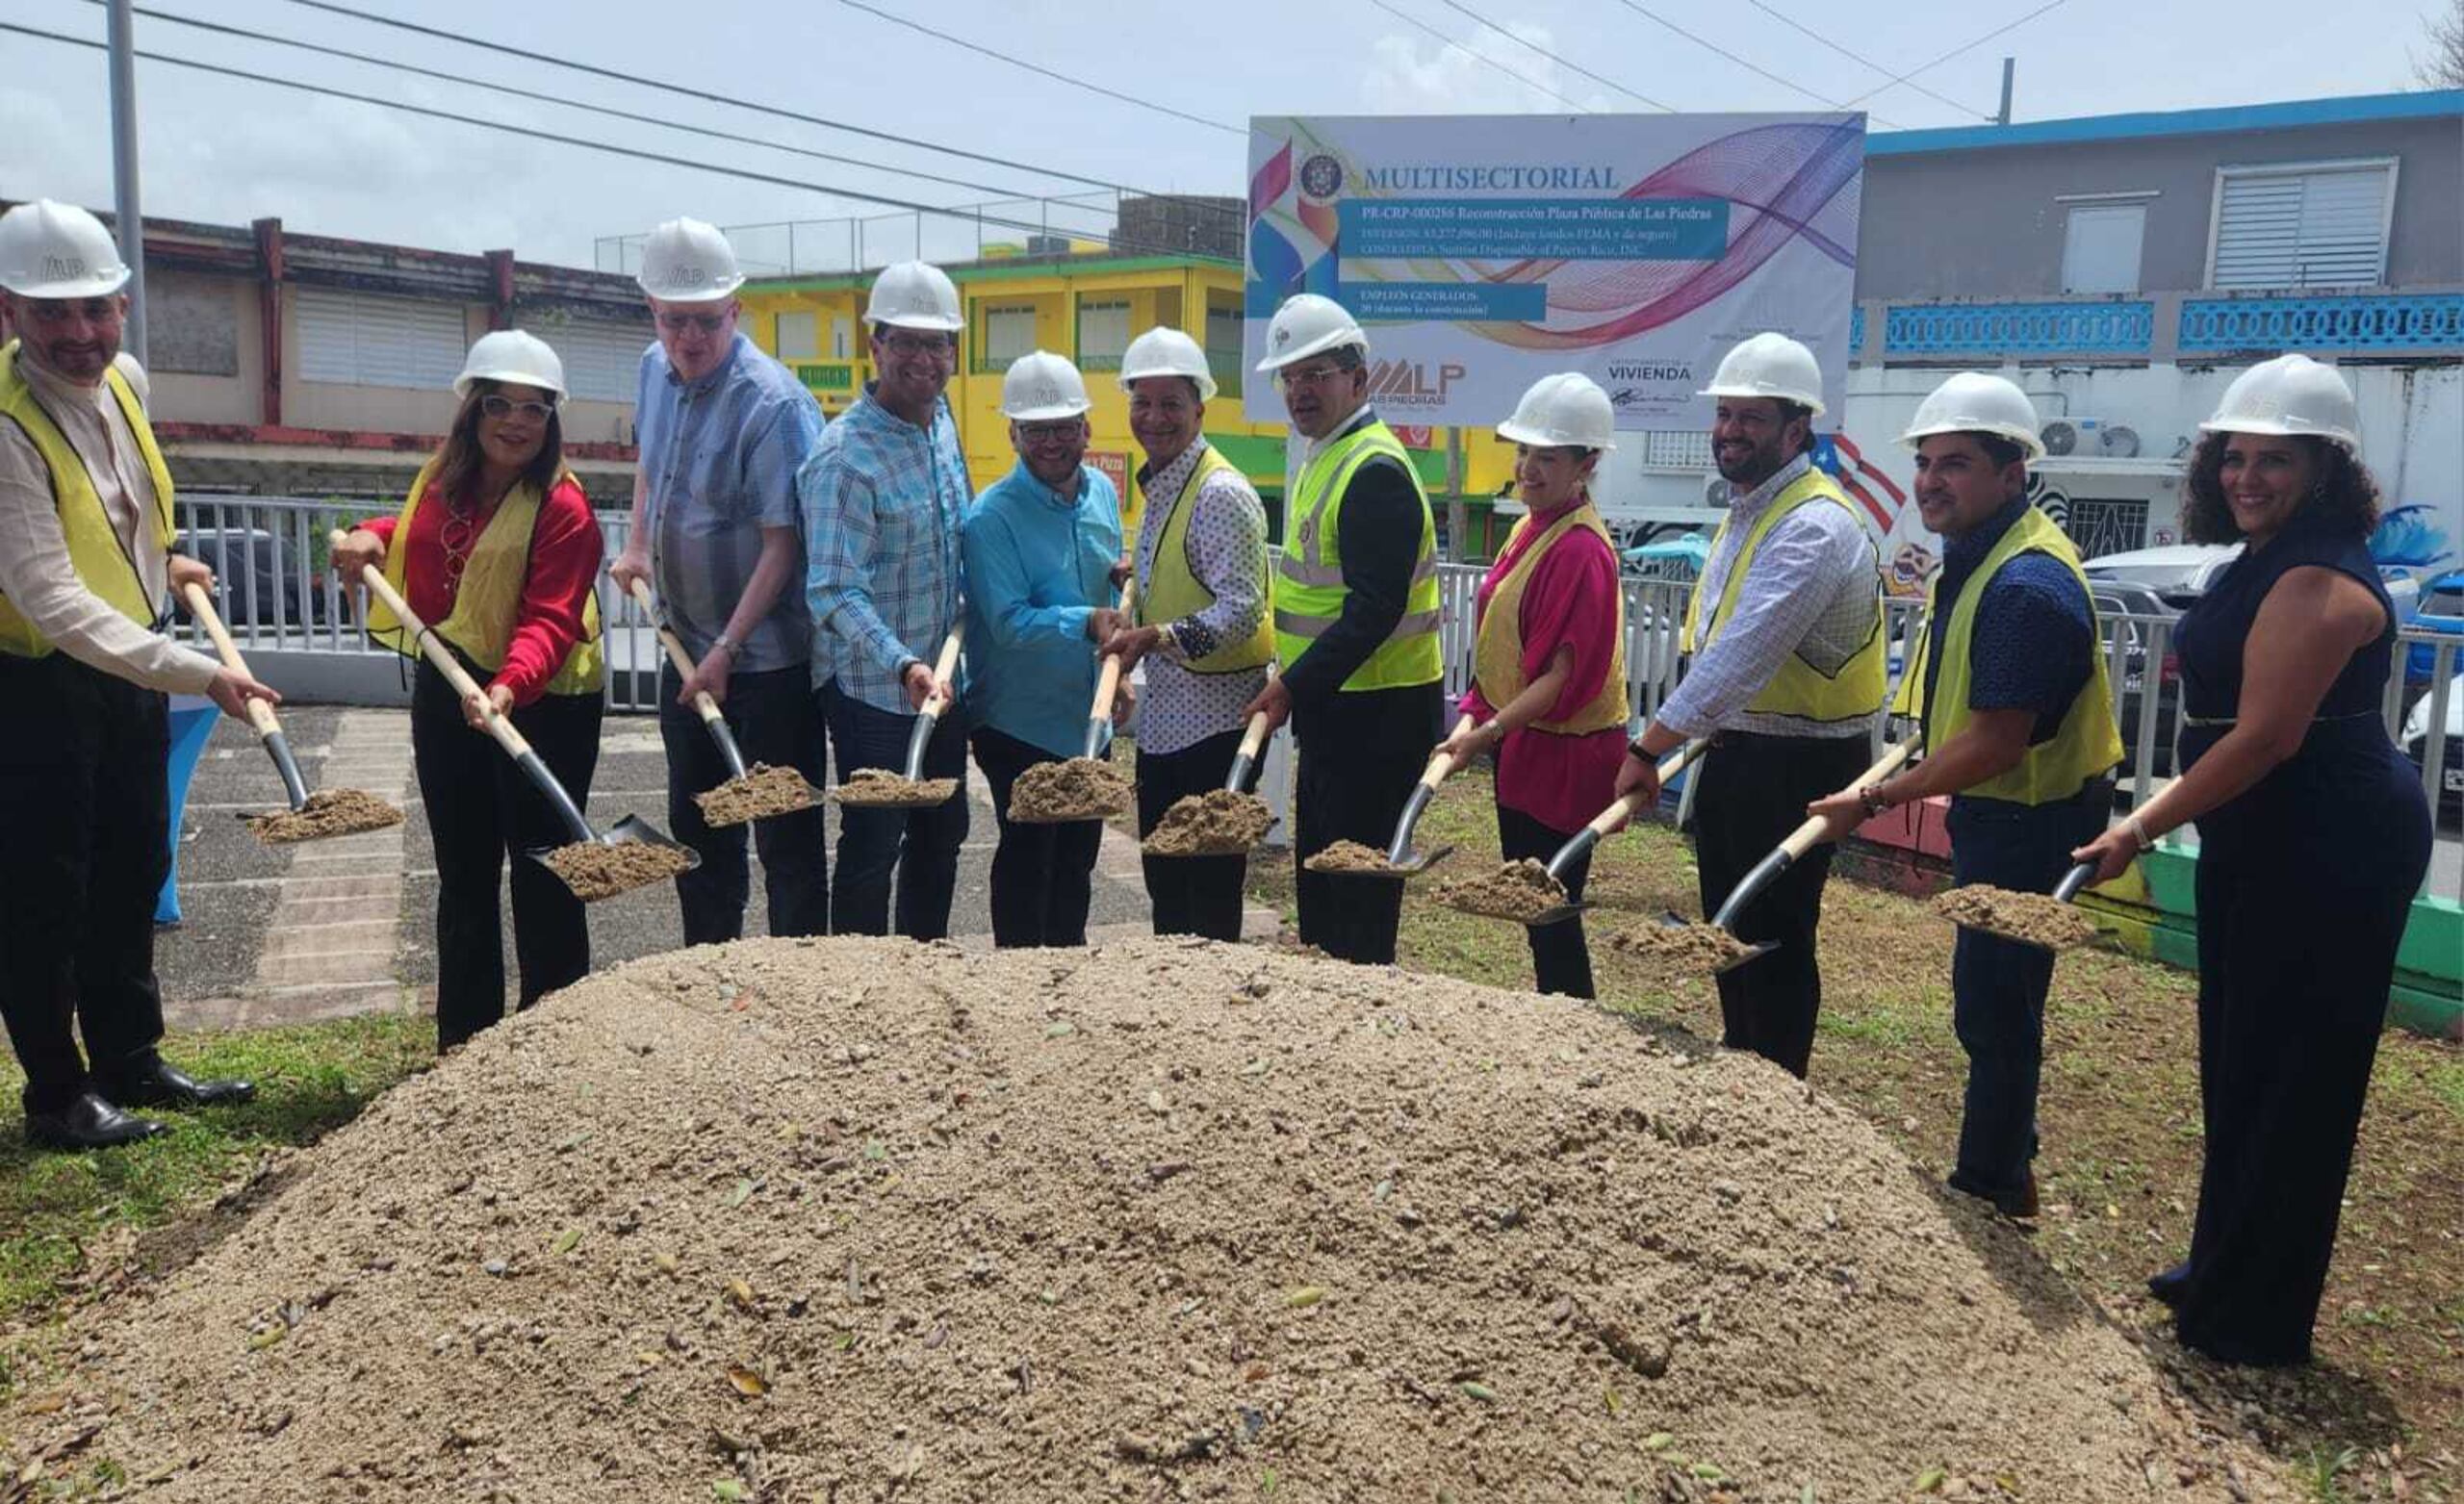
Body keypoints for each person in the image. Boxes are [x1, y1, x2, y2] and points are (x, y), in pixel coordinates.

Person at [2071, 354, 2431, 1365]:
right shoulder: (2266, 553)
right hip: (2264, 833)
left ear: (2326, 466)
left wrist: (2138, 828)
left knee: (2294, 1078)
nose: (2247, 477)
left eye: (2276, 460)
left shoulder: (2316, 573)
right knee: (2240, 1058)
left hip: (2328, 840)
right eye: (2235, 457)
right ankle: (2221, 1260)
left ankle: (2255, 1316)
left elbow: (2267, 736)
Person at [1805, 373, 2122, 1217]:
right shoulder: (1987, 555)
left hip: (2029, 819)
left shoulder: (2023, 585)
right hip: (2018, 809)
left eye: (1958, 464)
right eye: (1926, 462)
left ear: (2013, 474)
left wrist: (1869, 805)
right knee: (1995, 996)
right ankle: (2006, 1157)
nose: (1932, 481)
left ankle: (1991, 1184)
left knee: (1996, 1004)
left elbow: (1994, 742)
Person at [0, 199, 270, 1149]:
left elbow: (123, 509)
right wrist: (197, 671)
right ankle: (58, 1095)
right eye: (51, 314)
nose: (78, 334)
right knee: (45, 888)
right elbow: (47, 596)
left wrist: (168, 564)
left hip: (128, 664)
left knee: (132, 864)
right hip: (35, 685)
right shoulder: (4, 424)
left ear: (121, 305)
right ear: (10, 313)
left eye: (94, 310)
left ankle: (130, 1058)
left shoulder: (123, 383)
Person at [1614, 332, 1884, 1077]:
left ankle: (1778, 1086)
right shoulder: (1747, 510)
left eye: (1751, 418)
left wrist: (1648, 748)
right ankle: (1743, 1064)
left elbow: (1742, 654)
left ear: (1797, 430)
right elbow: (1718, 643)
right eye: (1725, 414)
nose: (1730, 431)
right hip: (1742, 752)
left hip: (1799, 765)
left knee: (1775, 933)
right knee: (1727, 927)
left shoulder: (1815, 525)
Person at [332, 331, 605, 1054]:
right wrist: (369, 534)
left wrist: (510, 687)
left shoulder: (565, 508)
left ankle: (555, 1038)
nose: (516, 421)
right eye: (499, 404)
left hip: (546, 700)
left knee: (546, 869)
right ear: (471, 408)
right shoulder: (444, 476)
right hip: (448, 680)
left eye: (535, 409)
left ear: (552, 420)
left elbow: (550, 615)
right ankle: (467, 1043)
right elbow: (425, 541)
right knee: (464, 869)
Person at [609, 217, 827, 946]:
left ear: (737, 310)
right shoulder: (651, 369)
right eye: (675, 321)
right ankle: (708, 972)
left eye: (706, 321)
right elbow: (650, 461)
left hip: (765, 663)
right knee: (699, 830)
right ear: (653, 311)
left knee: (785, 839)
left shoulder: (774, 405)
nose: (689, 340)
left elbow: (784, 543)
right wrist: (637, 544)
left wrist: (728, 650)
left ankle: (799, 981)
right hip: (686, 646)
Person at [1242, 294, 1443, 966]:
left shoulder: (1373, 471)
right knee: (1323, 881)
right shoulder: (1327, 455)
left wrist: (1293, 685)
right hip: (1339, 706)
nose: (1299, 389)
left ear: (1359, 378)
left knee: (1354, 890)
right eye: (1289, 376)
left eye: (1316, 373)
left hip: (1378, 715)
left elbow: (1374, 610)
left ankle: (1361, 1017)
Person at [1430, 374, 1629, 998]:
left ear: (1586, 465)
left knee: (1550, 910)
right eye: (1524, 452)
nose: (1529, 468)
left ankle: (1570, 1019)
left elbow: (1561, 678)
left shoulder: (1580, 551)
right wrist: (1472, 722)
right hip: (1525, 744)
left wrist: (1484, 733)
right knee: (1532, 906)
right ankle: (1554, 1012)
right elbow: (1506, 651)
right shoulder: (1531, 527)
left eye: (1548, 457)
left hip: (1568, 757)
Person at [800, 261, 970, 939]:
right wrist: (903, 664)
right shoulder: (844, 457)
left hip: (945, 676)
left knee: (942, 832)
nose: (924, 359)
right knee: (874, 843)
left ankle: (923, 969)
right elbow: (833, 590)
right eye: (906, 341)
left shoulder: (942, 423)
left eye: (938, 344)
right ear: (875, 346)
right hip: (875, 687)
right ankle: (863, 987)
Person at [1100, 327, 1272, 942]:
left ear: (1200, 408)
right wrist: (1135, 581)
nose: (1154, 417)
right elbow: (1185, 573)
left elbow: (1243, 610)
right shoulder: (1167, 482)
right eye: (1142, 402)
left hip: (1215, 726)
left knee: (1206, 893)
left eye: (1171, 403)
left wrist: (1156, 636)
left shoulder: (1220, 493)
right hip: (1167, 723)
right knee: (1165, 883)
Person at [961, 351, 1125, 948]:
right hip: (1018, 724)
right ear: (1013, 434)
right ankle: (1019, 986)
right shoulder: (991, 520)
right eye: (1036, 429)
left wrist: (1118, 671)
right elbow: (1006, 623)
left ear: (1086, 426)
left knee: (1078, 861)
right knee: (1029, 861)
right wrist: (1087, 622)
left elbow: (1110, 588)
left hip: (1089, 720)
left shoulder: (1103, 493)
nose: (1051, 442)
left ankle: (1067, 986)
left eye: (1063, 426)